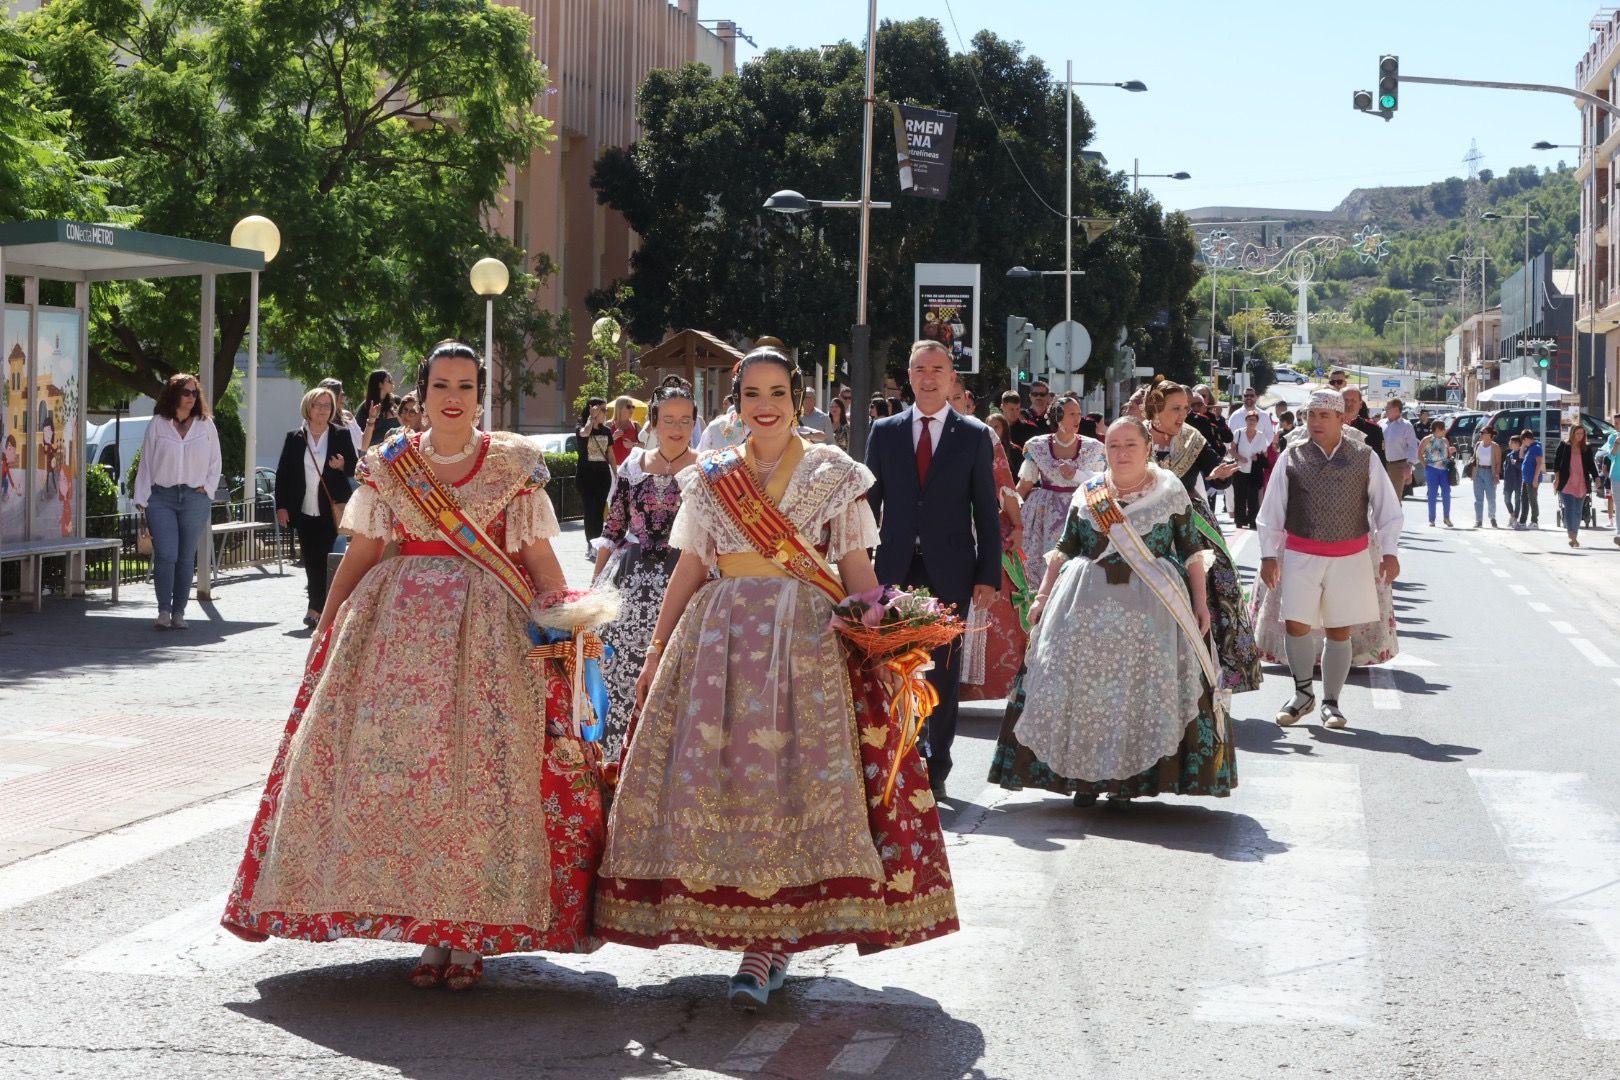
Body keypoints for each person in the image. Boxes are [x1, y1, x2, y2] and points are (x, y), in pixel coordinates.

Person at [224, 340, 603, 992]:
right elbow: (366, 552)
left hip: (493, 647)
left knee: (478, 784)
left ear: (480, 394)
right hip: (393, 648)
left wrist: (574, 641)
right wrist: (327, 624)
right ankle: (430, 931)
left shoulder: (514, 465)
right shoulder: (390, 465)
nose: (452, 397)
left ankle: (467, 933)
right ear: (421, 395)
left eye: (465, 385)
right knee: (409, 788)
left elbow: (542, 564)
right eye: (440, 386)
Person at [596, 347, 958, 1008]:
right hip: (718, 643)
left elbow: (854, 569)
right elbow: (690, 569)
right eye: (753, 394)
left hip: (807, 647)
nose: (765, 406)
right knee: (727, 784)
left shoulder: (832, 473)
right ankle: (747, 927)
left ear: (799, 400)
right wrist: (655, 651)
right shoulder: (710, 478)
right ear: (736, 403)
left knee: (794, 788)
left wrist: (890, 643)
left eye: (779, 394)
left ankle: (770, 942)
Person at [989, 417, 1234, 806]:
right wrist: (1041, 598)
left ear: (1147, 447)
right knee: (1084, 693)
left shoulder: (1170, 492)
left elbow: (1191, 553)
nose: (1121, 453)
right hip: (1084, 610)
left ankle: (1127, 782)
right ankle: (1084, 779)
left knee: (1137, 693)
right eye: (1114, 446)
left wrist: (1200, 604)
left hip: (1152, 613)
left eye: (1130, 446)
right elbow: (1065, 548)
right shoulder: (1088, 493)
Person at [866, 340, 1003, 799]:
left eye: (938, 369)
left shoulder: (974, 435)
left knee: (942, 669)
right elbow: (868, 507)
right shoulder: (883, 432)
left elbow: (986, 510)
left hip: (952, 569)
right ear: (909, 376)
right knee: (893, 665)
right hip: (893, 567)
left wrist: (988, 574)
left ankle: (936, 764)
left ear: (951, 378)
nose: (928, 377)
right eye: (920, 369)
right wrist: (860, 570)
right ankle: (899, 757)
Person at [1258, 389, 1403, 729]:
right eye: (1311, 415)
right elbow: (1271, 511)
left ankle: (1332, 702)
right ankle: (1302, 693)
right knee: (1296, 623)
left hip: (1349, 556)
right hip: (1299, 553)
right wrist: (1268, 555)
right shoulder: (1291, 456)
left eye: (1324, 415)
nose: (1316, 422)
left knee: (1339, 630)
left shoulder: (1364, 456)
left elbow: (1387, 509)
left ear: (1342, 419)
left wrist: (1390, 552)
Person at [591, 386, 696, 760]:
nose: (677, 428)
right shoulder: (632, 466)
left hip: (685, 583)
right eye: (669, 419)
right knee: (618, 674)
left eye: (686, 420)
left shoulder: (707, 469)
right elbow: (613, 530)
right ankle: (618, 761)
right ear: (653, 422)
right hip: (628, 583)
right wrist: (592, 595)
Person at [1144, 380, 1262, 695]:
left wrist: (1221, 474)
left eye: (1186, 408)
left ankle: (1210, 677)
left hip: (1190, 520)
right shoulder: (1136, 436)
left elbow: (1214, 471)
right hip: (1141, 521)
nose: (1183, 414)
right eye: (1176, 409)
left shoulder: (1192, 438)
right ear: (1156, 408)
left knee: (1218, 585)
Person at [132, 373, 222, 632]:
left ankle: (179, 612)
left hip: (195, 498)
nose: (191, 398)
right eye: (186, 392)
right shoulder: (158, 424)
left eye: (195, 393)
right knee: (167, 554)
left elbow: (215, 461)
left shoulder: (205, 424)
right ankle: (163, 610)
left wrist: (209, 487)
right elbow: (146, 461)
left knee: (185, 556)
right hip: (162, 497)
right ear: (173, 394)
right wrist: (141, 498)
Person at [961, 404, 1028, 703]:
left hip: (979, 530)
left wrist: (1017, 525)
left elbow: (1003, 484)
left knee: (988, 603)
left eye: (957, 397)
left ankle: (975, 684)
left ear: (968, 403)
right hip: (933, 534)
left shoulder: (984, 435)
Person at [275, 387, 357, 626]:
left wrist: (343, 466)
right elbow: (283, 474)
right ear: (307, 408)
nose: (322, 410)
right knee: (311, 558)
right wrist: (282, 506)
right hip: (303, 507)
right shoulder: (295, 437)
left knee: (321, 557)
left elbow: (355, 466)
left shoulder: (340, 435)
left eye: (326, 406)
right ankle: (318, 606)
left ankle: (317, 608)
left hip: (329, 507)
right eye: (317, 405)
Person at [1016, 394, 1106, 586]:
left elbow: (1101, 482)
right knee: (1041, 567)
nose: (1077, 419)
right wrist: (1008, 513)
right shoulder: (1038, 446)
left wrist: (1077, 474)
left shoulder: (1093, 448)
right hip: (1044, 513)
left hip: (1080, 509)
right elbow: (1025, 485)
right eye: (1071, 414)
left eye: (1079, 414)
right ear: (1058, 417)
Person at [575, 397, 613, 548]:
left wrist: (617, 474)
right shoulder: (581, 426)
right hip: (585, 476)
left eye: (606, 410)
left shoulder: (607, 431)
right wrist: (591, 417)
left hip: (603, 476)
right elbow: (585, 433)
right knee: (590, 510)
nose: (605, 413)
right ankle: (591, 543)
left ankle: (596, 543)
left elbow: (610, 455)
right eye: (602, 409)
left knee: (598, 510)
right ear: (593, 409)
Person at [1554, 424, 1599, 549]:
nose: (1580, 436)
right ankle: (1571, 536)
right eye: (1577, 434)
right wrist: (1557, 479)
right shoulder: (1564, 446)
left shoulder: (1586, 448)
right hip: (1566, 483)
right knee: (1569, 508)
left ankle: (1575, 534)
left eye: (1582, 434)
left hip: (1581, 483)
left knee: (1578, 511)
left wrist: (1596, 477)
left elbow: (1591, 465)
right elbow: (1556, 463)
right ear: (1572, 434)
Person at [1231, 409, 1269, 530]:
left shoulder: (1261, 436)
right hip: (1239, 469)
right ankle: (1240, 520)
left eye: (1253, 420)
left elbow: (1265, 454)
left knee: (1253, 497)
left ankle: (1253, 521)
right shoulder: (1238, 433)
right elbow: (1231, 450)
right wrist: (1239, 457)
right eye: (1249, 419)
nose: (1251, 422)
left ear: (1257, 422)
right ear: (1245, 421)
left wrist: (1257, 457)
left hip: (1254, 471)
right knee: (1239, 496)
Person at [1418, 419, 1455, 528]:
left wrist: (1451, 453)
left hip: (1444, 470)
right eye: (1443, 429)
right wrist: (1426, 466)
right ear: (1437, 429)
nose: (1444, 431)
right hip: (1431, 470)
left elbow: (1448, 455)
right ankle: (1432, 519)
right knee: (1432, 495)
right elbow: (1419, 453)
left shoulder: (1445, 440)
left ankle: (1446, 517)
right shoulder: (1427, 439)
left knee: (1446, 493)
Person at [1380, 399, 1419, 500]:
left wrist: (1409, 466)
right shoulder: (1381, 423)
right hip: (1381, 465)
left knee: (1395, 499)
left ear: (1396, 409)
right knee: (1381, 499)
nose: (1385, 410)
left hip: (1398, 466)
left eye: (1388, 408)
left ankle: (1395, 516)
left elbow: (1412, 447)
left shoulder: (1406, 426)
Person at [355, 368, 399, 451]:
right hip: (373, 454)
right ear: (380, 384)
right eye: (389, 381)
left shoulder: (396, 401)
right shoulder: (365, 407)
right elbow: (357, 436)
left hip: (395, 450)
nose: (393, 383)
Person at [319, 377, 365, 452]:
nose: (344, 397)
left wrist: (371, 420)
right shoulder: (314, 421)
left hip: (351, 463)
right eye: (341, 394)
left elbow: (363, 445)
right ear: (332, 396)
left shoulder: (347, 415)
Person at [1341, 387, 1385, 463]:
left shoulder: (1373, 429)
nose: (1348, 404)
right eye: (1345, 400)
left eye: (1353, 401)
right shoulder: (1328, 426)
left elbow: (1379, 460)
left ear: (1360, 404)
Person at [1470, 425, 1502, 528]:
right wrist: (1472, 472)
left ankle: (1492, 517)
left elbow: (1498, 463)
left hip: (1490, 472)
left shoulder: (1495, 446)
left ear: (1489, 435)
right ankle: (1478, 520)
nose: (1481, 434)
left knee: (1491, 497)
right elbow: (1474, 458)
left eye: (1483, 432)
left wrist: (1496, 475)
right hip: (1478, 472)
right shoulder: (1478, 444)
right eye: (1481, 432)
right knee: (1478, 498)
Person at [1515, 428, 1545, 530]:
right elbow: (1521, 455)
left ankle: (1534, 521)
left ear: (1527, 438)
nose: (1523, 443)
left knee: (1533, 500)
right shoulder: (1530, 447)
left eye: (1523, 440)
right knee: (1524, 500)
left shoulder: (1536, 447)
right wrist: (1523, 445)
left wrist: (1536, 478)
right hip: (1526, 478)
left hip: (1533, 478)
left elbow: (1539, 463)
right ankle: (1522, 521)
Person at [608, 396, 641, 468]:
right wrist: (613, 438)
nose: (631, 409)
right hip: (612, 467)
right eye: (628, 407)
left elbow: (645, 445)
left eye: (633, 407)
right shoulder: (609, 425)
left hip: (631, 467)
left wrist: (633, 445)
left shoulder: (636, 425)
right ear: (619, 408)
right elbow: (601, 445)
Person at [1502, 435, 1523, 521]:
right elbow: (1505, 470)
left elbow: (1523, 467)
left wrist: (1516, 463)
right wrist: (1504, 481)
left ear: (1517, 443)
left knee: (1517, 500)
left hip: (1517, 481)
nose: (1509, 444)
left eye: (1511, 442)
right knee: (1506, 500)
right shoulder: (1508, 455)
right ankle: (1512, 513)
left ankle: (1515, 518)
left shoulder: (1522, 454)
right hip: (1508, 481)